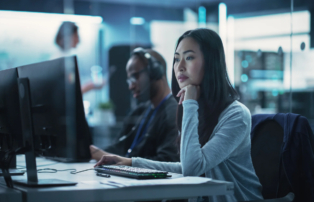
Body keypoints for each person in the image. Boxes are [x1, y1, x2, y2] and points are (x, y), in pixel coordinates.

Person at [94, 29, 264, 202]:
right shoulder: (194, 110)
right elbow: (185, 166)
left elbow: (192, 169)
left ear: (211, 63)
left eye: (189, 57)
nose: (180, 66)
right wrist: (131, 163)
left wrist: (189, 103)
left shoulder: (236, 115)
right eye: (176, 59)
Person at [90, 48, 179, 162]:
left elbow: (167, 161)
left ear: (155, 72)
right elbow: (119, 147)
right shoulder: (141, 111)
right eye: (129, 80)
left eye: (135, 77)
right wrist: (93, 152)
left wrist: (122, 162)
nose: (131, 86)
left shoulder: (173, 113)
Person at [54, 21, 105, 94]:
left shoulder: (66, 58)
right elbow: (69, 93)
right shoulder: (60, 60)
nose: (78, 40)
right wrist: (91, 86)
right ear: (67, 37)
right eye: (76, 36)